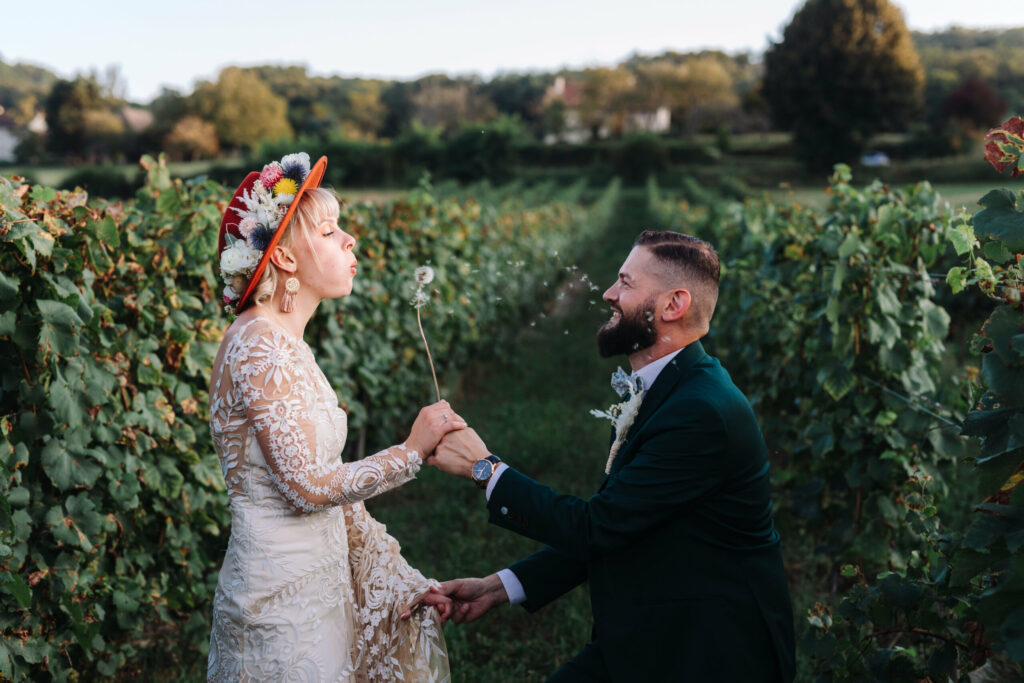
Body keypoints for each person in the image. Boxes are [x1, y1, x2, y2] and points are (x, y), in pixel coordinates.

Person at [424, 231, 796, 682]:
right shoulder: (675, 386)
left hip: (708, 650)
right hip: (656, 632)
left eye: (625, 282)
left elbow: (598, 529)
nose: (608, 294)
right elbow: (624, 524)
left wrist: (485, 469)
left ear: (672, 305)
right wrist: (498, 587)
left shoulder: (701, 412)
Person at [206, 152, 457, 682]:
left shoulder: (285, 345)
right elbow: (307, 489)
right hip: (279, 603)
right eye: (328, 230)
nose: (350, 241)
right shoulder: (259, 346)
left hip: (316, 584)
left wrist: (394, 576)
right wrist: (411, 453)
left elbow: (327, 495)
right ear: (287, 260)